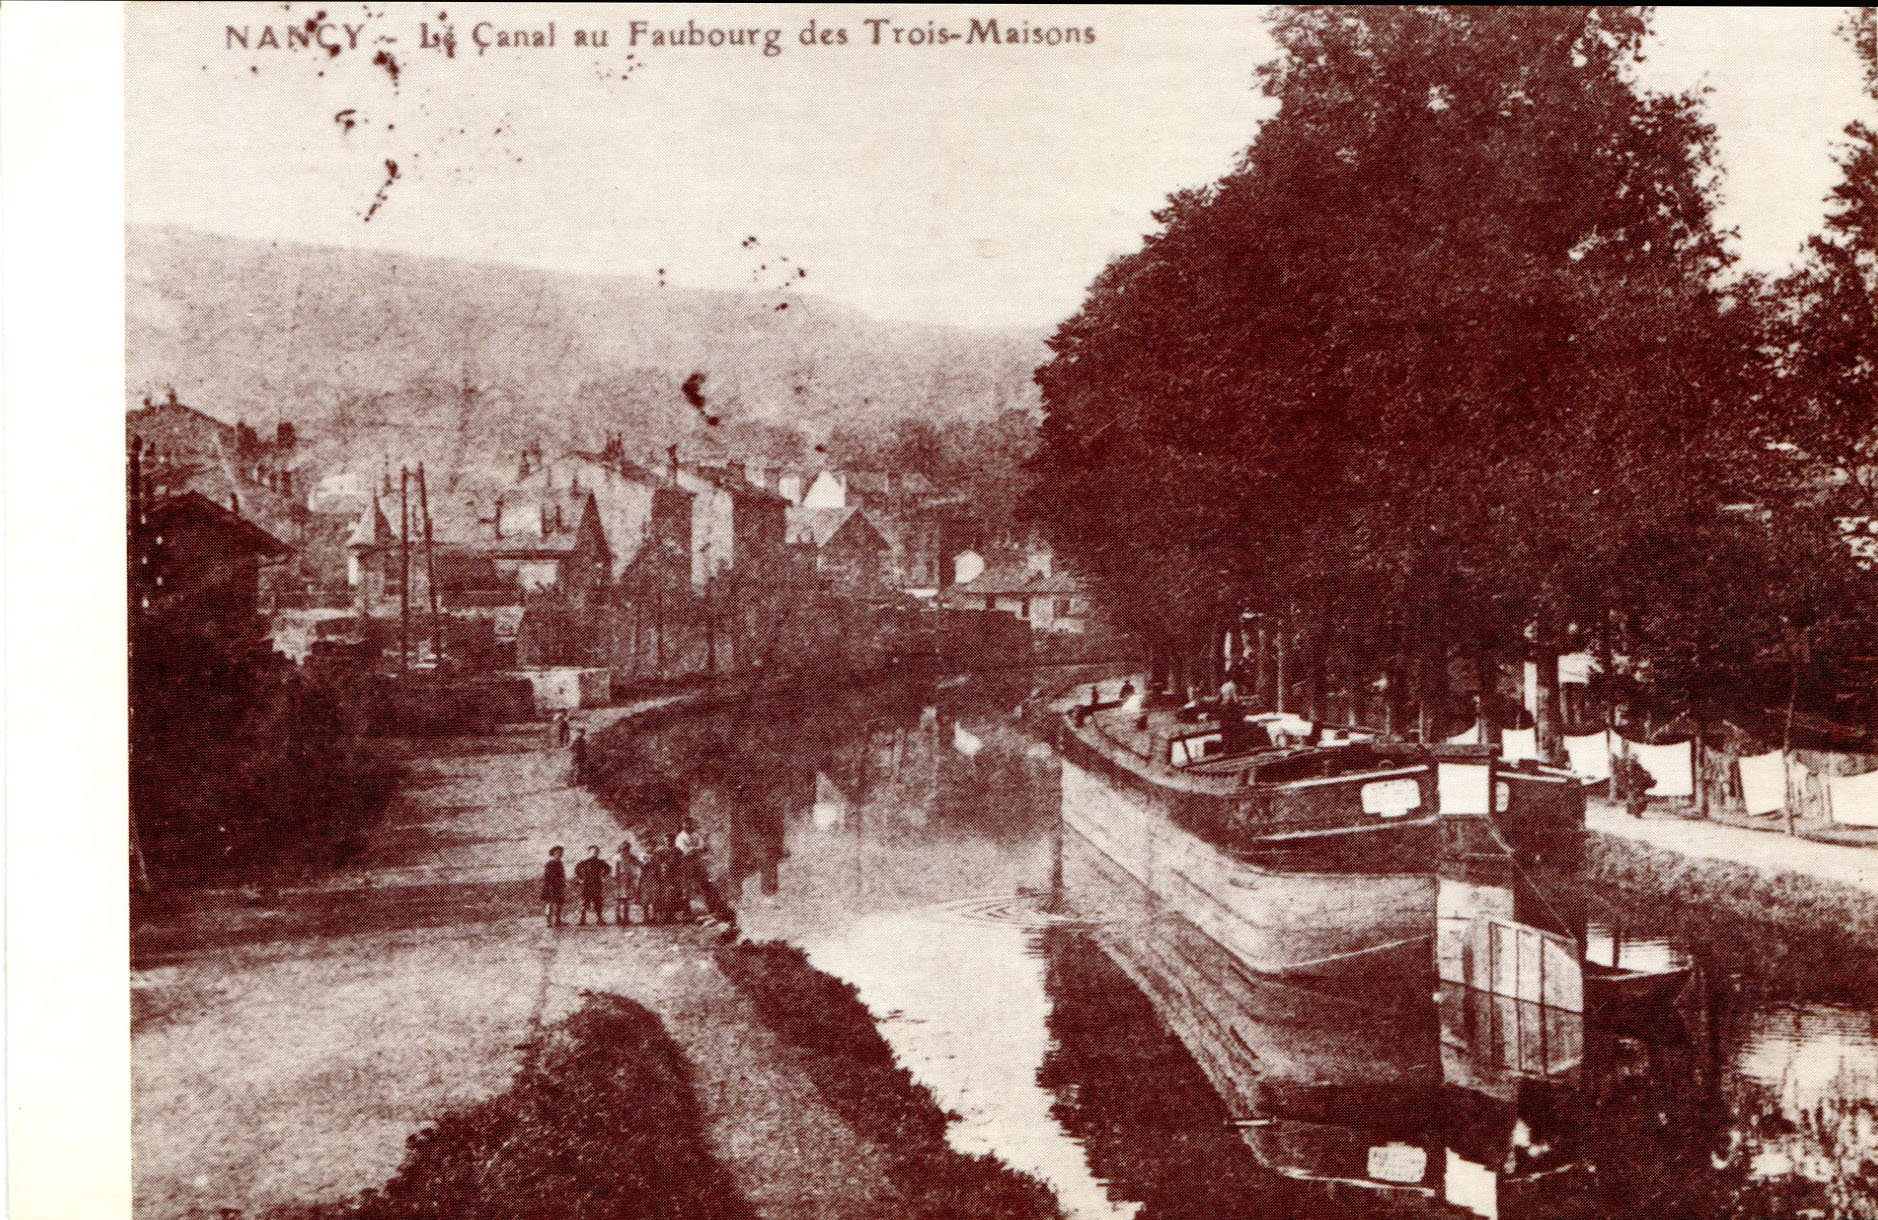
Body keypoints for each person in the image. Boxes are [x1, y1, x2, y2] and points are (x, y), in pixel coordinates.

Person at [573, 844, 612, 925]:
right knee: (585, 902)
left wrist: (603, 876)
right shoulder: (585, 862)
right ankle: (582, 920)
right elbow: (576, 869)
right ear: (589, 852)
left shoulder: (600, 862)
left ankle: (599, 919)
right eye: (592, 852)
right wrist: (581, 878)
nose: (594, 853)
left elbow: (608, 869)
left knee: (598, 902)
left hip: (597, 884)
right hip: (587, 884)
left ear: (598, 853)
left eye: (596, 852)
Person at [614, 836, 645, 926]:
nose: (625, 850)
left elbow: (639, 863)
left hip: (628, 879)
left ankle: (626, 917)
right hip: (620, 879)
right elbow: (615, 869)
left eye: (627, 848)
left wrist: (643, 866)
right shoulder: (617, 857)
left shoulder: (630, 857)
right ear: (620, 848)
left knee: (626, 899)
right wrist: (616, 878)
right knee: (619, 900)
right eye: (623, 848)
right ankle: (618, 917)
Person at [540, 845, 567, 928]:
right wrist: (558, 881)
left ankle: (557, 921)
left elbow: (562, 875)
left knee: (559, 903)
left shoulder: (560, 863)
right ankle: (548, 922)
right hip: (550, 886)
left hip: (558, 887)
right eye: (558, 853)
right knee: (549, 904)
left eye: (561, 853)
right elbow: (548, 876)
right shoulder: (550, 863)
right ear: (553, 854)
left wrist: (562, 882)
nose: (560, 854)